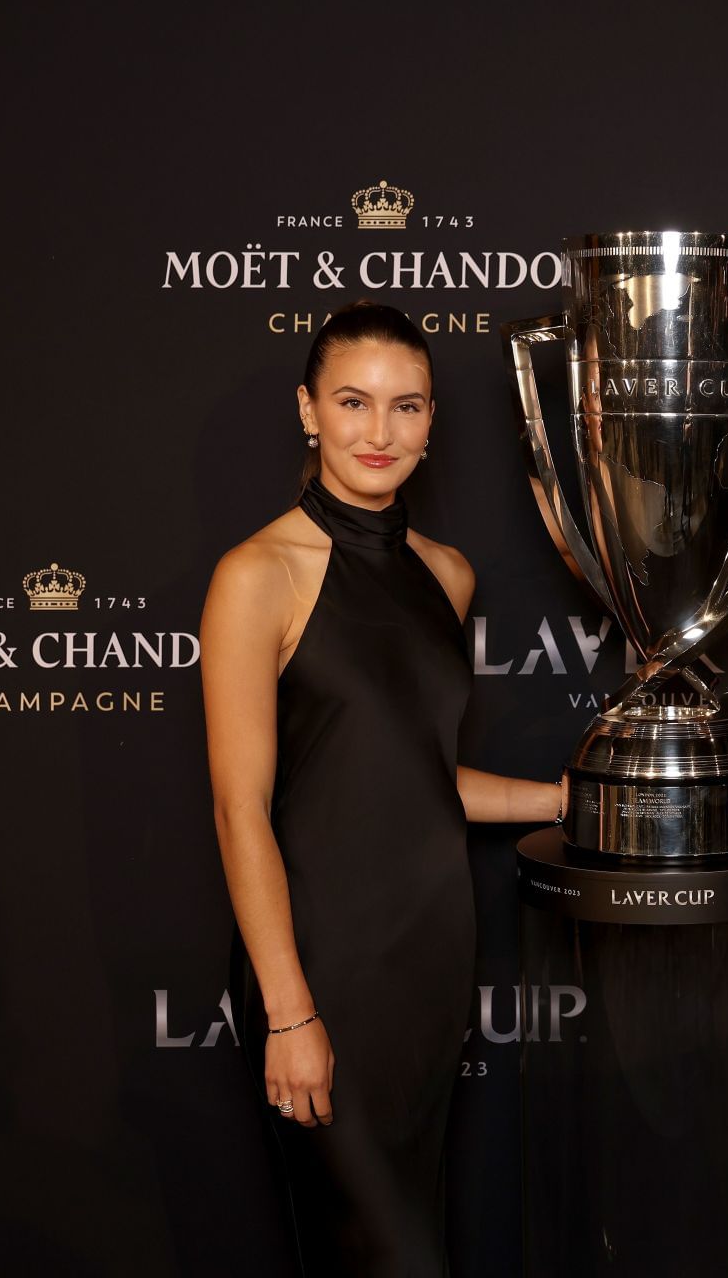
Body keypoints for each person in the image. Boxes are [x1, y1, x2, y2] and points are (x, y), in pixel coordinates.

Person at [199, 300, 563, 1276]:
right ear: (309, 410)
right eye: (353, 402)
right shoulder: (258, 573)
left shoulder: (446, 574)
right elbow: (241, 809)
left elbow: (415, 780)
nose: (380, 431)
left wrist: (568, 799)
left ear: (434, 421)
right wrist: (289, 1011)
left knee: (400, 1238)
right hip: (323, 967)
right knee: (381, 1251)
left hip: (430, 962)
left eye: (407, 407)